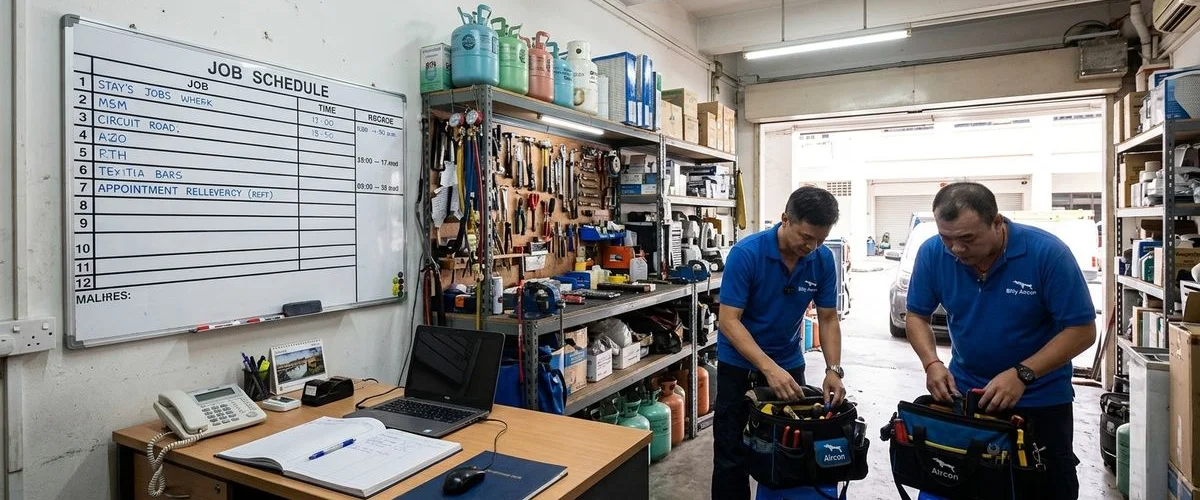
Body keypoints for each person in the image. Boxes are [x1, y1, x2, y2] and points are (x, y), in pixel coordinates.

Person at [905, 182, 1096, 500]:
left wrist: (1023, 373)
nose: (956, 249)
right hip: (968, 399)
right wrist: (932, 363)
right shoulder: (932, 253)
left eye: (967, 239)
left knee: (1045, 488)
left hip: (1041, 402)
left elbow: (1082, 330)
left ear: (997, 222)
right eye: (947, 238)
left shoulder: (1046, 254)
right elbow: (916, 316)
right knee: (964, 484)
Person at [712, 186, 848, 500]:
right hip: (739, 368)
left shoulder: (822, 260)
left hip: (788, 365)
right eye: (806, 237)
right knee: (732, 458)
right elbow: (729, 321)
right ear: (785, 219)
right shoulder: (748, 254)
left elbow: (828, 318)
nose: (812, 246)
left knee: (788, 454)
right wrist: (768, 369)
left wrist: (833, 370)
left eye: (820, 239)